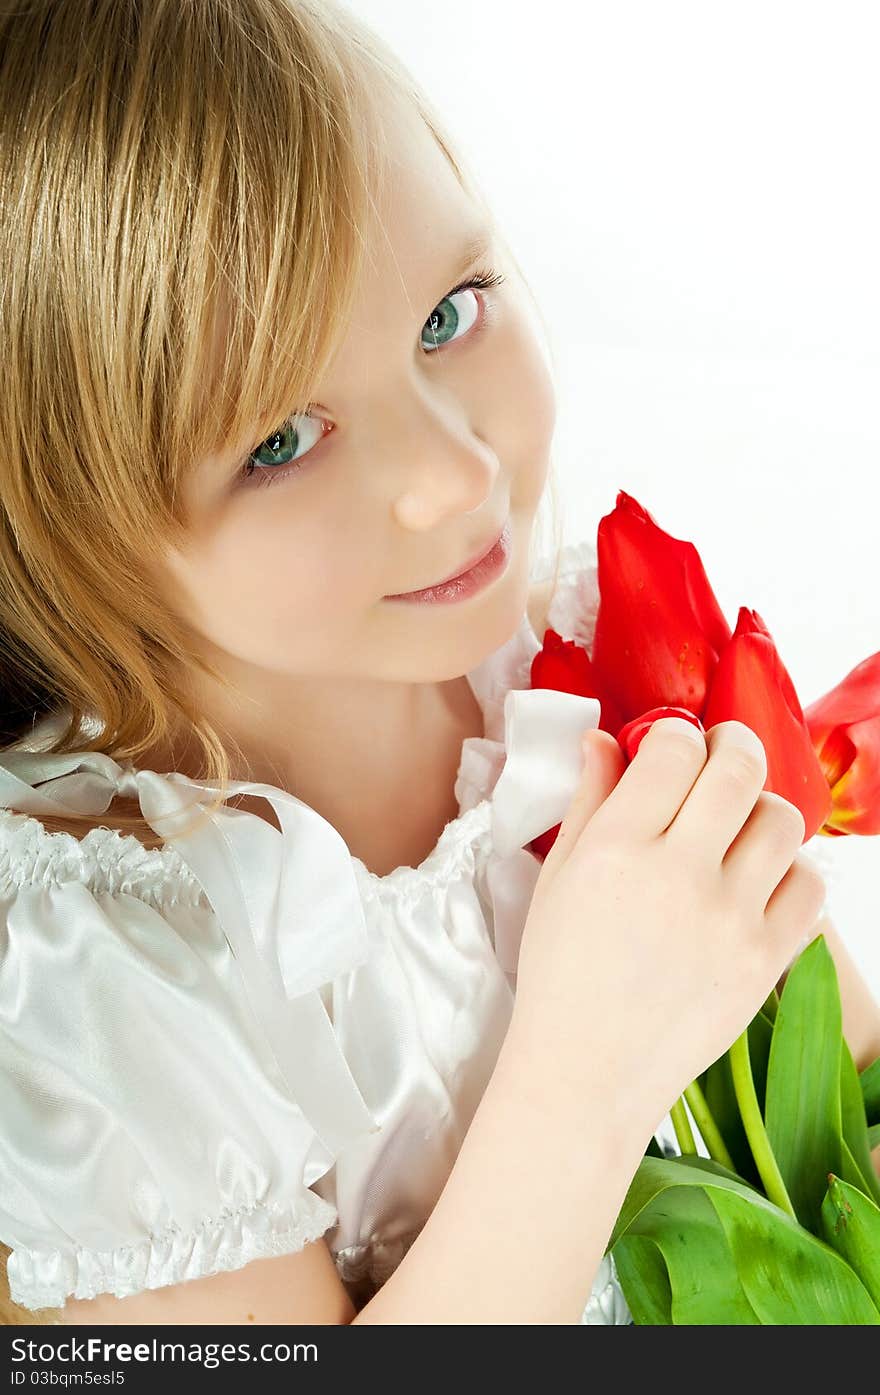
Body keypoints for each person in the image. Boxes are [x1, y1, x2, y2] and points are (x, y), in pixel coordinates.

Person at [0, 0, 878, 1328]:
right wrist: (585, 1074)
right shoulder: (90, 970)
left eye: (448, 314)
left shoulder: (575, 650)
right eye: (283, 441)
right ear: (58, 530)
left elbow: (843, 1073)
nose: (457, 478)